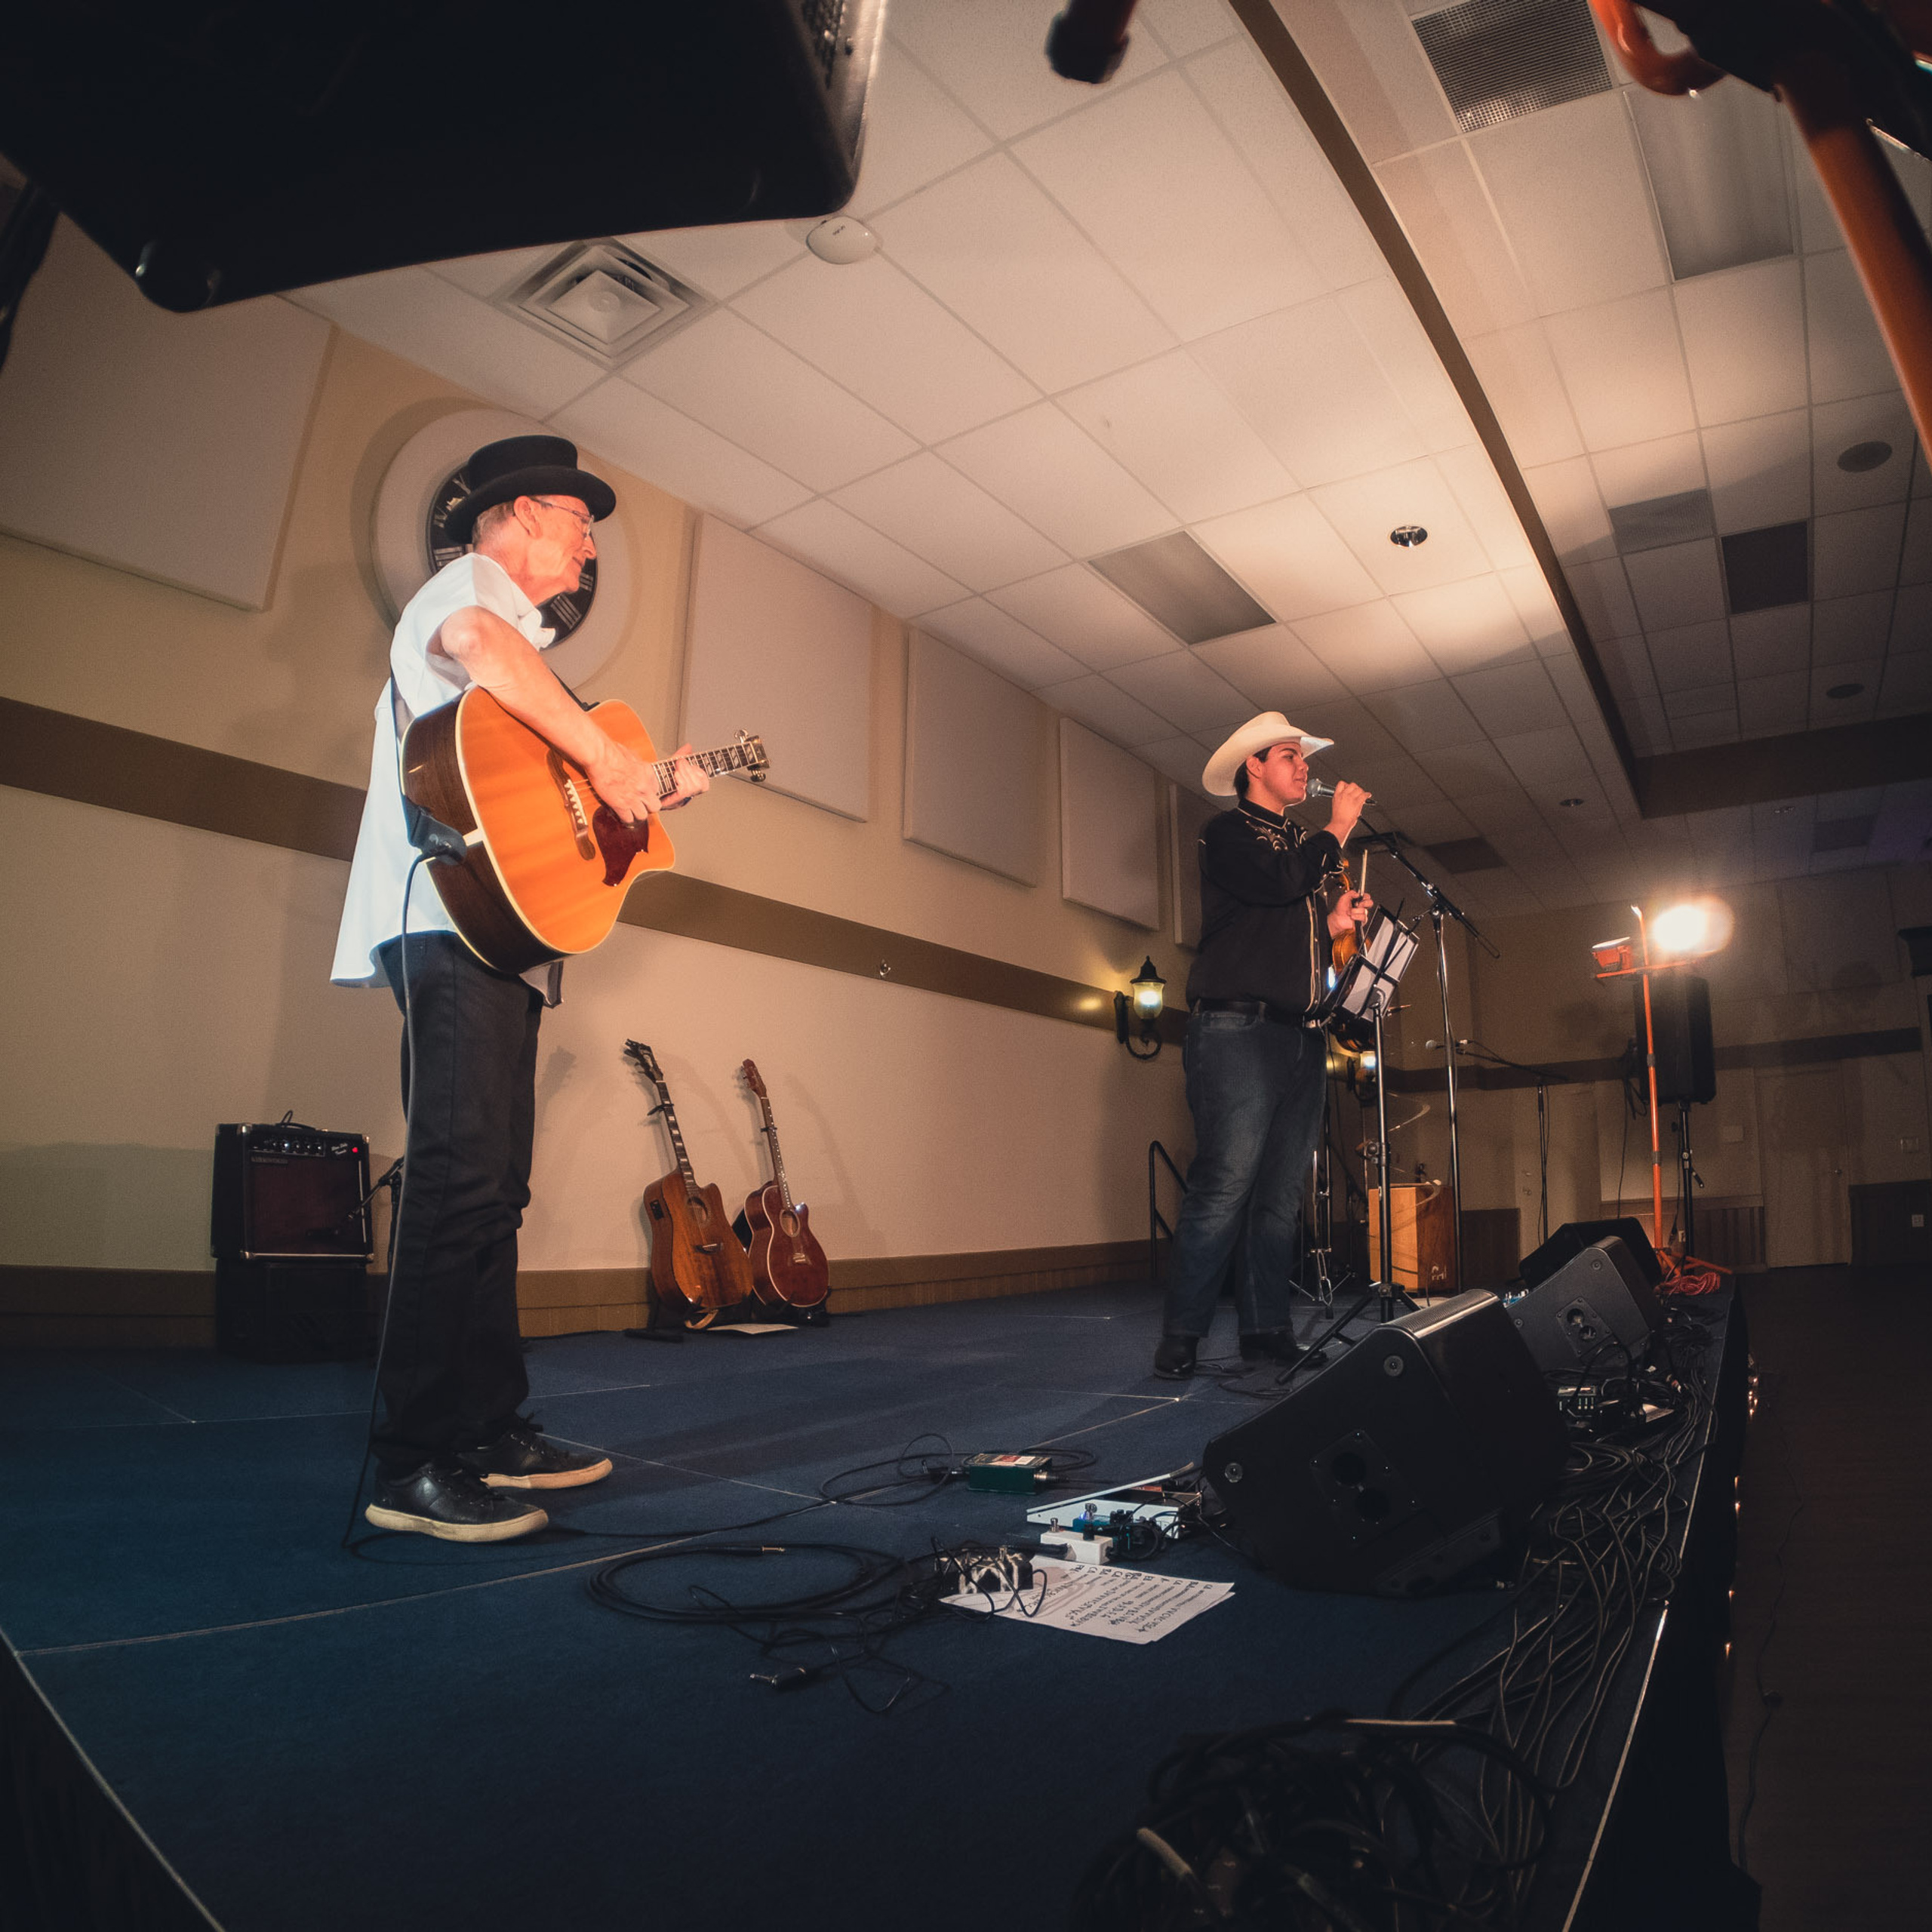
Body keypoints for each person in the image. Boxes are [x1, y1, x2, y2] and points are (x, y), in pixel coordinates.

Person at [331, 435, 709, 1541]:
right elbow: (475, 643)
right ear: (524, 513)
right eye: (579, 519)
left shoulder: (534, 663)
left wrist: (646, 787)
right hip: (443, 922)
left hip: (493, 936)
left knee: (494, 1188)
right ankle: (408, 1464)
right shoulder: (473, 587)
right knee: (457, 1182)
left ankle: (490, 1427)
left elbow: (535, 807)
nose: (590, 542)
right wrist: (605, 756)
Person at [1152, 712, 1371, 1380]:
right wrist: (1337, 830)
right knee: (1225, 1185)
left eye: (1303, 757)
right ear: (1255, 767)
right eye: (1289, 755)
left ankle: (1264, 1329)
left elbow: (1289, 923)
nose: (1304, 766)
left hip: (1300, 1038)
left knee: (1280, 1195)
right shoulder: (1228, 832)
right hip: (1237, 1032)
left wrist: (1334, 922)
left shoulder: (1297, 845)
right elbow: (1278, 883)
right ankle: (1182, 1335)